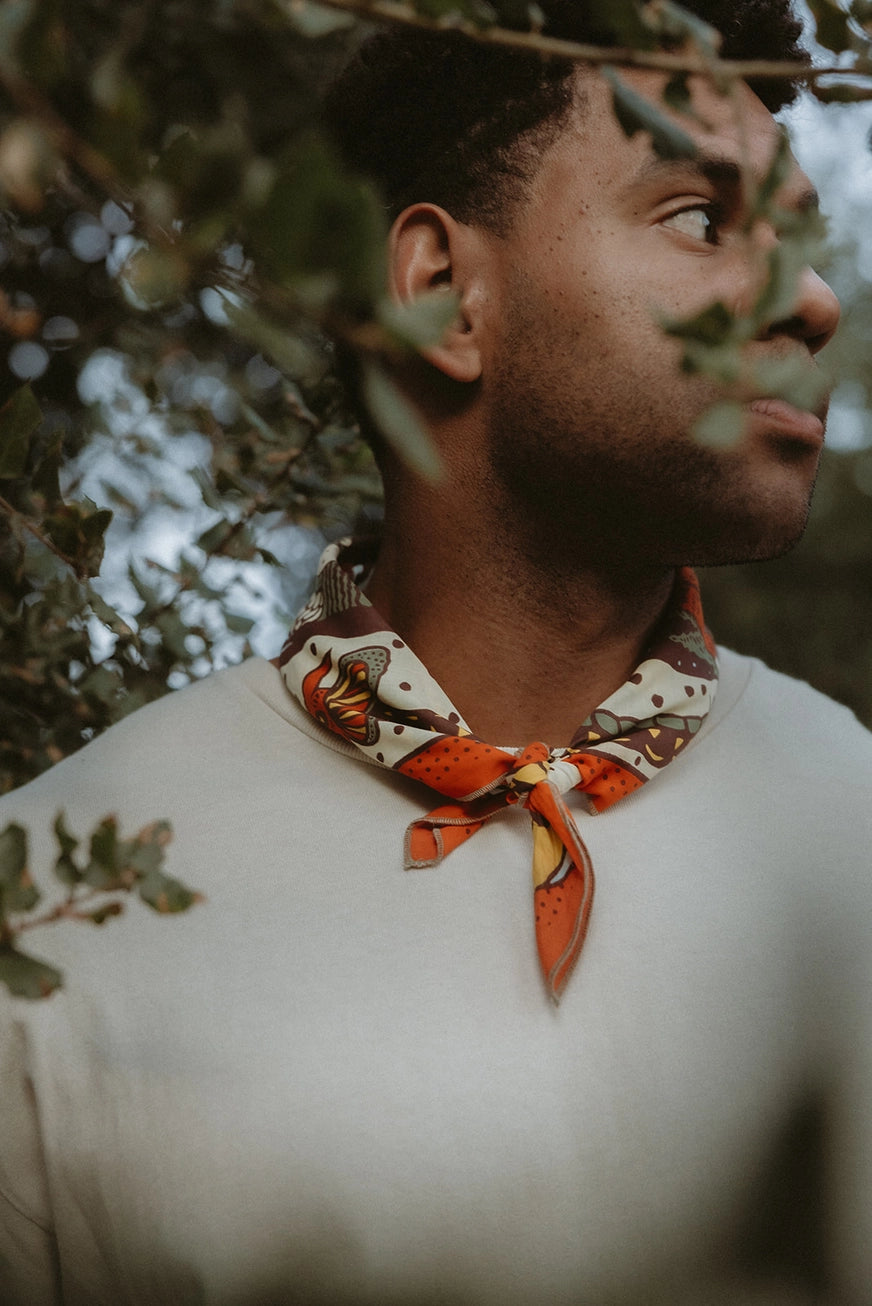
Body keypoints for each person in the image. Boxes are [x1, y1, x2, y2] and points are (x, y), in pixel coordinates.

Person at [1, 3, 869, 1303]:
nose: (810, 299)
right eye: (701, 218)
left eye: (804, 237)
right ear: (440, 294)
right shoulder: (57, 917)